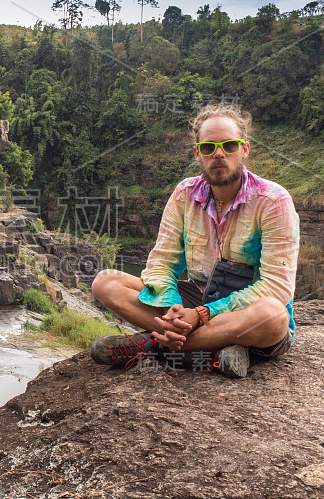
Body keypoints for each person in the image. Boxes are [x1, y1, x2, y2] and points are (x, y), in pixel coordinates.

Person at [90, 104, 299, 378]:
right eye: (209, 147)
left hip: (247, 310)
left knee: (273, 316)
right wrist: (173, 311)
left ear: (245, 149)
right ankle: (216, 350)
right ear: (197, 153)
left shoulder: (273, 201)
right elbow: (162, 263)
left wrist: (202, 314)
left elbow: (276, 287)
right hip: (195, 299)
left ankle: (152, 345)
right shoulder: (185, 194)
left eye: (230, 145)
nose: (220, 154)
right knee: (106, 282)